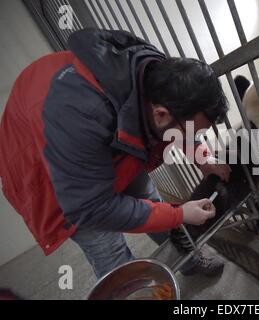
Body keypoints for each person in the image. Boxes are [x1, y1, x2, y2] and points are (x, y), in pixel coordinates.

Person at [0, 29, 231, 279]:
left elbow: (184, 126)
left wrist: (203, 158)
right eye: (190, 132)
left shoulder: (156, 74)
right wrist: (180, 214)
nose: (190, 137)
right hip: (54, 176)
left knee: (153, 204)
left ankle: (190, 261)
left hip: (104, 142)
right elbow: (91, 207)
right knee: (110, 251)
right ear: (161, 114)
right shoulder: (77, 116)